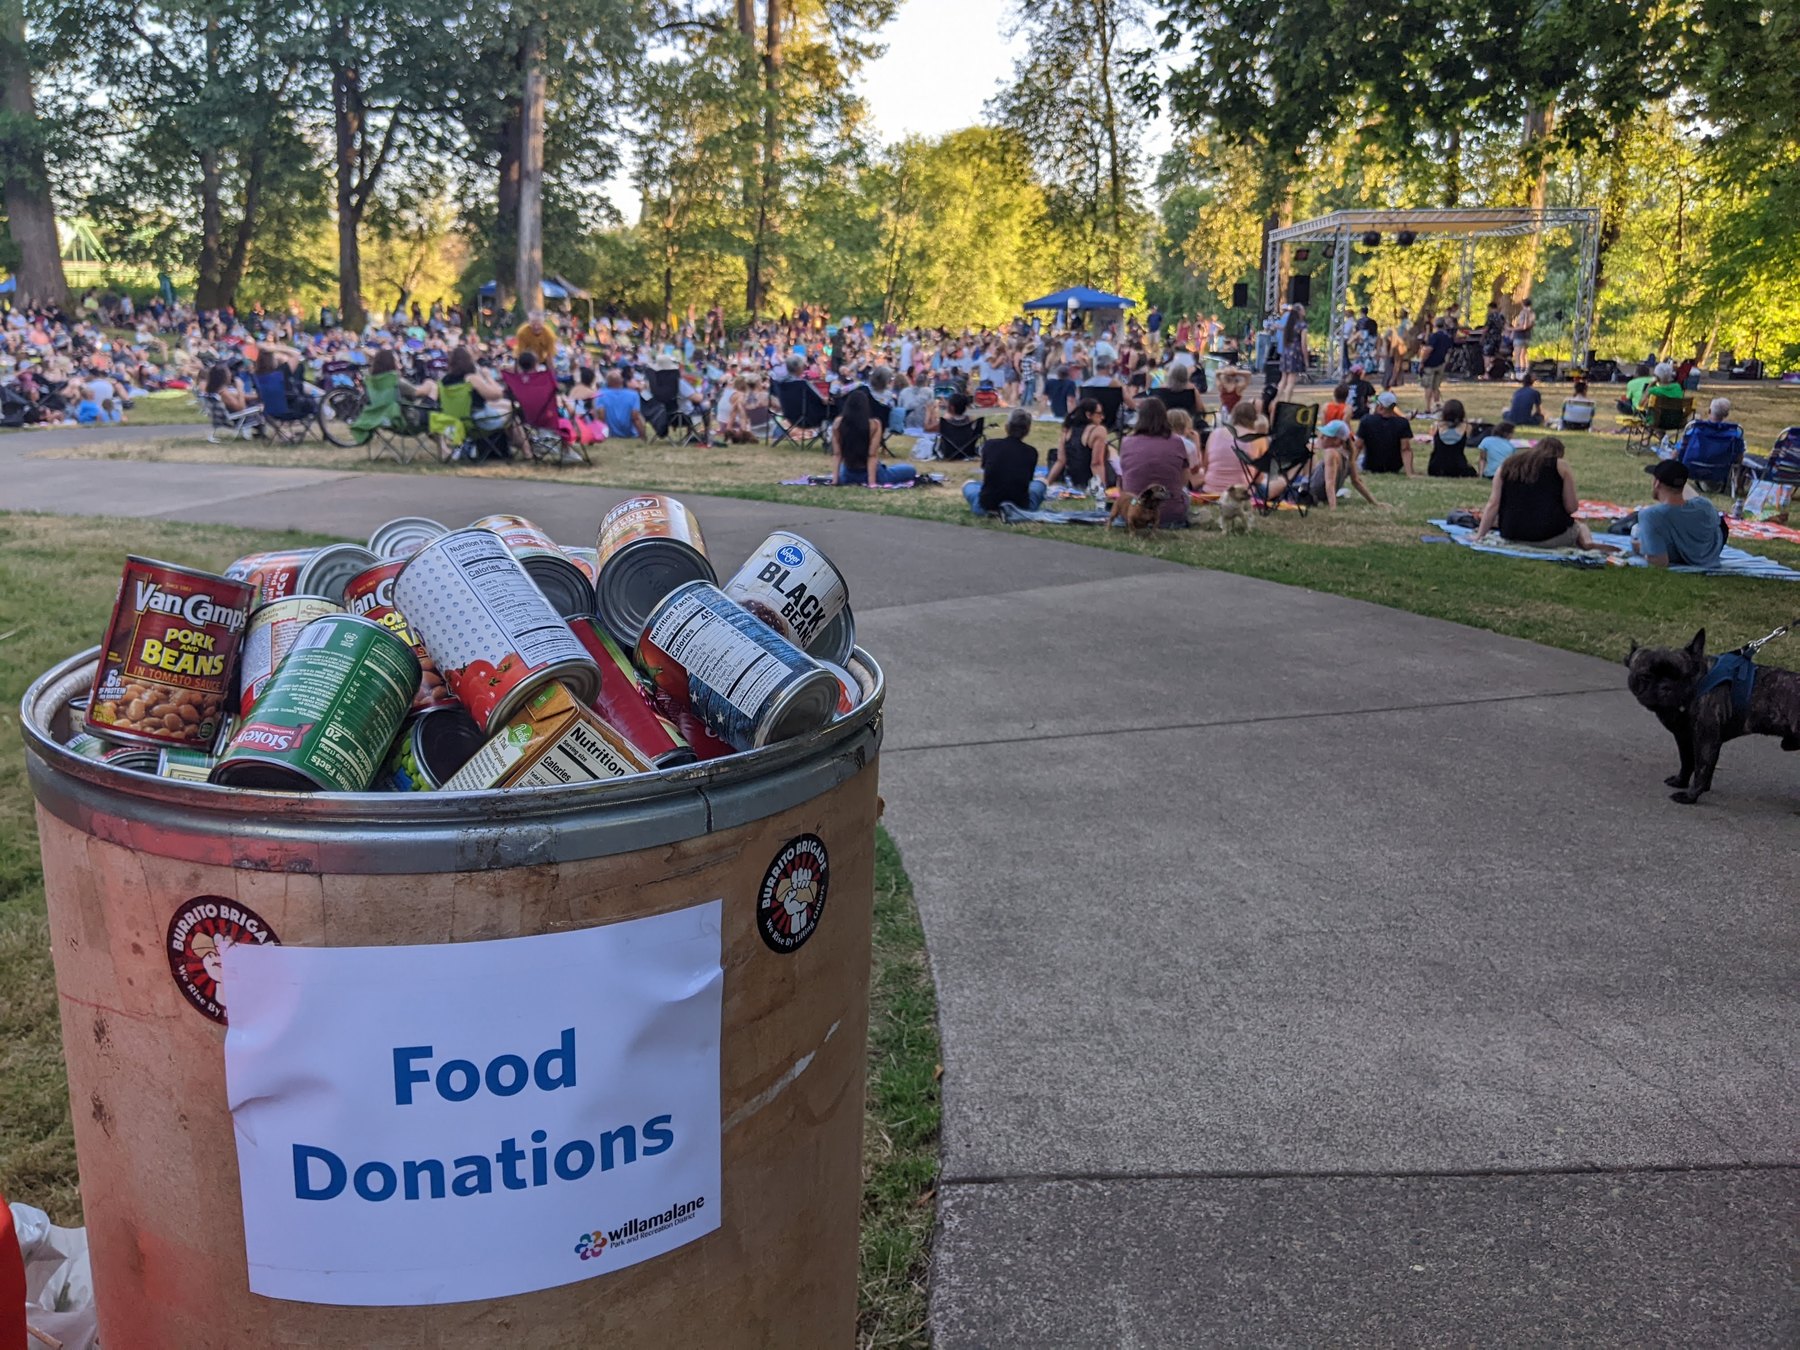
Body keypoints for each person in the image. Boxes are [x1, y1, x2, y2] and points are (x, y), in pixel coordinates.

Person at [1473, 436, 1595, 548]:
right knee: (1581, 526)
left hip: (1511, 534)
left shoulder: (1507, 465)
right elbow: (1571, 507)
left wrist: (1480, 535)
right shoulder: (1561, 466)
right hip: (1549, 535)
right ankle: (1587, 542)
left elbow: (1493, 504)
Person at [1632, 459, 1725, 567]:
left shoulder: (1651, 515)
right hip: (1709, 557)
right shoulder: (1705, 505)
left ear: (1656, 483)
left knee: (1636, 530)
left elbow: (1658, 562)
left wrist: (1640, 548)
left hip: (1677, 557)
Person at [1117, 398, 1191, 527]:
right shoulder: (1177, 442)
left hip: (1133, 513)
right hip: (1170, 514)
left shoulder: (1127, 442)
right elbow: (1184, 479)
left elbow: (1123, 478)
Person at [962, 409, 1045, 514]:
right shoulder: (1031, 452)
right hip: (1020, 507)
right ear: (1027, 430)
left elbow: (985, 469)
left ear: (1007, 427)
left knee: (969, 484)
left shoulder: (990, 445)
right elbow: (1028, 479)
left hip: (987, 506)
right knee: (1041, 483)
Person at [832, 385, 916, 486]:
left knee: (843, 468)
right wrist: (872, 483)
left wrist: (835, 480)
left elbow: (837, 454)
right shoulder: (875, 424)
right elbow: (872, 455)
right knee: (910, 470)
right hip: (873, 472)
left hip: (849, 472)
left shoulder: (838, 423)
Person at [1307, 419, 1382, 510]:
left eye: (1325, 435)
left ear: (1337, 440)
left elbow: (1330, 483)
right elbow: (1356, 481)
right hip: (1321, 496)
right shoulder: (1348, 456)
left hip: (1309, 494)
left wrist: (1333, 508)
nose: (1321, 437)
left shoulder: (1331, 453)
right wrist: (1374, 502)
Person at [1197, 399, 1264, 495]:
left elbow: (1206, 465)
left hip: (1210, 490)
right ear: (1254, 419)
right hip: (1241, 494)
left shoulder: (1215, 433)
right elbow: (1259, 479)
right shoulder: (1257, 439)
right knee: (1280, 482)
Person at [1046, 397, 1108, 491]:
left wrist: (1046, 483)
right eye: (1099, 413)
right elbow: (1096, 464)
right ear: (1088, 415)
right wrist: (1102, 489)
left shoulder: (1068, 429)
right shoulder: (1098, 430)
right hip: (1089, 481)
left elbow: (1060, 461)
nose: (1102, 417)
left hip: (1071, 481)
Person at [1357, 390, 1415, 475]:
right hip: (1394, 467)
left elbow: (1358, 446)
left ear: (1380, 406)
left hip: (1370, 465)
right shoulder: (1402, 423)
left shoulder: (1366, 420)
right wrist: (1410, 473)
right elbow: (1405, 449)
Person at [1426, 399, 1478, 477]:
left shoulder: (1436, 426)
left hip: (1435, 467)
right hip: (1458, 467)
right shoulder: (1467, 427)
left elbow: (1431, 435)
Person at [597, 367, 648, 439]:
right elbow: (635, 417)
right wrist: (643, 435)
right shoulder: (633, 395)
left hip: (609, 433)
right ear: (621, 381)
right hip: (629, 433)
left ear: (607, 382)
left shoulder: (600, 394)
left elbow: (601, 416)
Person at [1418, 316, 1452, 414]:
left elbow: (1428, 350)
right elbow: (1449, 351)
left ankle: (1428, 408)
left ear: (1436, 325)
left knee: (1428, 386)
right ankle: (1437, 406)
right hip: (1441, 363)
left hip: (1430, 364)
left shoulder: (1434, 336)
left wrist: (1422, 362)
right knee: (1436, 387)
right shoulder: (1447, 337)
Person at [1277, 303, 1308, 404]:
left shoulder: (1289, 324)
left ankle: (1276, 399)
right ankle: (1286, 401)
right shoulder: (1302, 325)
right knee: (1291, 380)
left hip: (1286, 352)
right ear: (1299, 312)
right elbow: (1303, 344)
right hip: (1295, 353)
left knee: (1283, 378)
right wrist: (1306, 359)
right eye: (1303, 309)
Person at [1510, 299, 1535, 377]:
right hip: (1527, 336)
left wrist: (1510, 329)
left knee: (1517, 355)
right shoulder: (1532, 313)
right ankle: (1524, 371)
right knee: (1523, 355)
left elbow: (1522, 326)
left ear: (1523, 304)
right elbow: (1530, 325)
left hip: (1519, 336)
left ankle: (1518, 372)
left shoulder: (1523, 313)